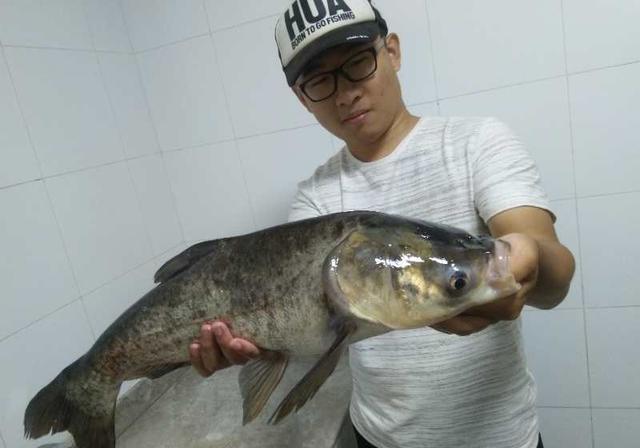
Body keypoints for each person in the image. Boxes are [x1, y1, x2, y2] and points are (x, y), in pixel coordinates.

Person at [188, 1, 575, 447]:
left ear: (391, 52)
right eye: (318, 81)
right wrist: (246, 343)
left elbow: (555, 274)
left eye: (358, 64)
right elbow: (302, 333)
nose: (344, 93)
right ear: (301, 97)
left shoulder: (477, 143)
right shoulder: (315, 200)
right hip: (377, 438)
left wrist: (529, 265)